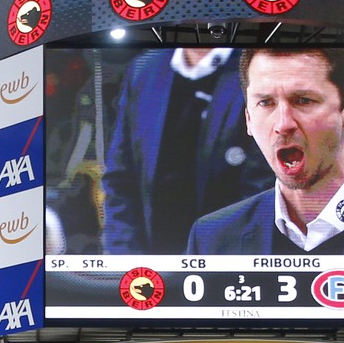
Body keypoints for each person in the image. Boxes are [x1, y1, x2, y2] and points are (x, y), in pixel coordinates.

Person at [185, 47, 344, 255]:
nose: (282, 124)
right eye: (266, 103)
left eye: (303, 101)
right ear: (248, 119)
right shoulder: (212, 238)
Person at [102, 47, 273, 254]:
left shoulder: (260, 70)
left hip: (222, 262)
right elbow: (120, 178)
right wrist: (126, 261)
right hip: (148, 264)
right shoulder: (145, 68)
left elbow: (261, 190)